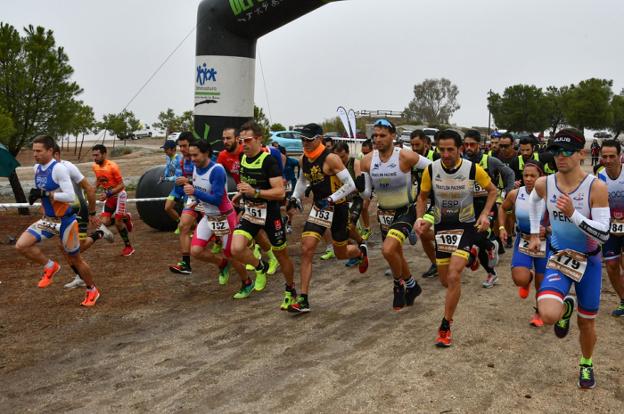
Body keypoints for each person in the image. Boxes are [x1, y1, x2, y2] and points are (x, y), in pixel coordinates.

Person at [527, 128, 610, 389]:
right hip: (559, 256)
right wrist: (533, 232)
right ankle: (565, 307)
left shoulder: (596, 187)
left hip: (590, 260)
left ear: (582, 154)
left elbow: (604, 234)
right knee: (547, 313)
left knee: (587, 324)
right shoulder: (545, 183)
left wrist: (573, 214)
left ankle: (586, 363)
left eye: (566, 152)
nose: (559, 157)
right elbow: (533, 201)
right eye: (556, 152)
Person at [414, 129, 497, 347]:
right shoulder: (431, 170)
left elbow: (493, 191)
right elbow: (422, 197)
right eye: (441, 149)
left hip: (466, 225)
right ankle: (472, 256)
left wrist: (485, 214)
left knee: (453, 277)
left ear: (460, 149)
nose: (446, 154)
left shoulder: (472, 169)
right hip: (442, 226)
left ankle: (445, 325)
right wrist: (420, 218)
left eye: (450, 149)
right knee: (444, 281)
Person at [286, 123, 368, 313]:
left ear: (319, 139)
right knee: (306, 249)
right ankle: (304, 299)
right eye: (302, 139)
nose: (304, 143)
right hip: (319, 208)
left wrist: (331, 199)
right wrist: (294, 196)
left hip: (338, 208)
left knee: (341, 253)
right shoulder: (303, 159)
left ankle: (359, 252)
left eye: (309, 139)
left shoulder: (331, 159)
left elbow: (350, 185)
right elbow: (302, 180)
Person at [15, 135, 100, 306]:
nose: (35, 154)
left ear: (50, 151)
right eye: (33, 151)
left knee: (75, 258)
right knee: (21, 245)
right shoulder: (36, 168)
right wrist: (36, 196)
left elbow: (69, 196)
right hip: (48, 220)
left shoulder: (59, 169)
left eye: (38, 151)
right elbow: (43, 191)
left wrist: (46, 194)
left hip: (66, 221)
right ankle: (50, 266)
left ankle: (92, 289)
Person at [360, 119, 431, 311]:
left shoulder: (405, 156)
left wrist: (425, 193)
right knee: (396, 253)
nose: (378, 139)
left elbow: (433, 169)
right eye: (375, 135)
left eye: (383, 135)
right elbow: (366, 193)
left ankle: (398, 284)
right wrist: (359, 189)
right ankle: (412, 286)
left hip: (405, 210)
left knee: (388, 250)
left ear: (393, 136)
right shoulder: (366, 160)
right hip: (383, 212)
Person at [230, 121, 296, 307]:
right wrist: (240, 193)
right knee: (236, 248)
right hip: (251, 212)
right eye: (241, 140)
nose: (244, 144)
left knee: (282, 255)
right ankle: (261, 268)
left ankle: (290, 289)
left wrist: (255, 192)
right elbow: (247, 184)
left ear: (259, 139)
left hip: (270, 215)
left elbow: (280, 192)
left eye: (248, 140)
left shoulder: (269, 161)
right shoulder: (243, 158)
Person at [185, 139, 249, 289]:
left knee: (230, 254)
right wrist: (192, 195)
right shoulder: (196, 167)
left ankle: (247, 282)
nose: (192, 159)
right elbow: (200, 191)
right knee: (195, 251)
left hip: (224, 216)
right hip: (208, 216)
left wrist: (195, 192)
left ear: (206, 153)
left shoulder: (217, 170)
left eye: (196, 155)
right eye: (191, 155)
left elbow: (217, 199)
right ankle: (221, 264)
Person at [51, 144, 114, 289]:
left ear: (56, 155)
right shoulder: (46, 170)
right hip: (64, 212)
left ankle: (99, 234)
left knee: (73, 249)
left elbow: (90, 189)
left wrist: (92, 213)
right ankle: (79, 276)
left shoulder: (68, 167)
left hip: (79, 210)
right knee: (63, 247)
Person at [462, 130, 515, 288]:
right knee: (472, 241)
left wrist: (507, 193)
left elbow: (510, 173)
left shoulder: (490, 160)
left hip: (488, 204)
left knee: (478, 233)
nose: (469, 147)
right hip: (469, 205)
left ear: (479, 144)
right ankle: (490, 266)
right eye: (466, 145)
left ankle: (489, 247)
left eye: (472, 144)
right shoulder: (462, 162)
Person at [498, 160, 548, 326]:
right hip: (524, 238)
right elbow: (503, 208)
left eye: (533, 176)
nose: (528, 179)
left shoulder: (549, 195)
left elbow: (562, 218)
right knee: (519, 278)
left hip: (544, 242)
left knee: (541, 283)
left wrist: (548, 229)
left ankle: (538, 313)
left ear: (541, 177)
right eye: (525, 175)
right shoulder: (515, 194)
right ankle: (528, 278)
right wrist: (501, 227)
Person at [596, 139, 624, 317]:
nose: (608, 160)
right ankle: (623, 300)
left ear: (620, 156)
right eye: (604, 156)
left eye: (612, 156)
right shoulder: (599, 175)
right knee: (612, 265)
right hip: (610, 227)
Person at [91, 144, 135, 257]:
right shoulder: (95, 166)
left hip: (120, 196)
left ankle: (129, 247)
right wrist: (93, 189)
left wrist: (107, 193)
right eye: (93, 155)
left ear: (104, 154)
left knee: (117, 223)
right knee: (104, 222)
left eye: (97, 155)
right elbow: (99, 179)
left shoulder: (113, 166)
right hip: (109, 198)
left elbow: (122, 185)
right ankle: (126, 217)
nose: (95, 158)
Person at [331, 142, 368, 268]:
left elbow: (360, 186)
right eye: (337, 157)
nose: (340, 160)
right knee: (342, 229)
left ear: (347, 153)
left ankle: (361, 243)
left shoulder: (355, 163)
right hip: (341, 201)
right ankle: (357, 248)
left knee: (350, 226)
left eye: (342, 157)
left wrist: (356, 183)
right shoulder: (332, 164)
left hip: (355, 198)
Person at [409, 130, 439, 278]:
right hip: (426, 201)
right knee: (423, 232)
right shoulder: (411, 160)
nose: (414, 148)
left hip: (442, 200)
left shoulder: (436, 157)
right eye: (412, 145)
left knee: (424, 230)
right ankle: (436, 263)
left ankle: (453, 244)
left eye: (417, 144)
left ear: (426, 143)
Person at [168, 132, 198, 274]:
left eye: (185, 146)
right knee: (183, 226)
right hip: (193, 198)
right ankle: (186, 264)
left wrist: (187, 181)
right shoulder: (182, 160)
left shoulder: (200, 158)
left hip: (211, 199)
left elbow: (208, 181)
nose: (182, 149)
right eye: (180, 146)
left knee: (223, 234)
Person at [161, 140, 183, 224]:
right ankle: (180, 223)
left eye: (166, 149)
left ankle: (192, 230)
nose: (164, 151)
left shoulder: (179, 159)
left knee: (189, 212)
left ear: (173, 149)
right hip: (177, 188)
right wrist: (164, 176)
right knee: (167, 208)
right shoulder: (168, 157)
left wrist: (166, 179)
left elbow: (178, 177)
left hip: (185, 188)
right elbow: (167, 168)